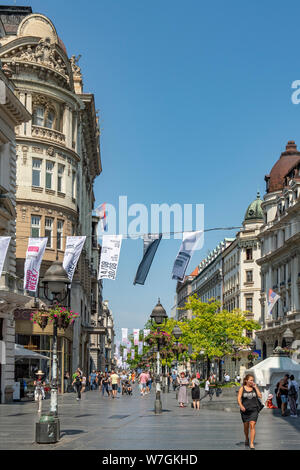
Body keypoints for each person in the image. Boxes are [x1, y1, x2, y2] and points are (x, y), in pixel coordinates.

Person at [237, 374, 262, 450]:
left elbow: (260, 396)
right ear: (246, 380)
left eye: (253, 380)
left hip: (254, 409)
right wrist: (241, 405)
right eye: (251, 380)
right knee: (246, 427)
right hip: (245, 410)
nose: (252, 381)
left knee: (252, 425)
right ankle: (246, 438)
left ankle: (251, 443)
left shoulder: (254, 388)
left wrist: (256, 387)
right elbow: (238, 398)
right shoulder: (242, 388)